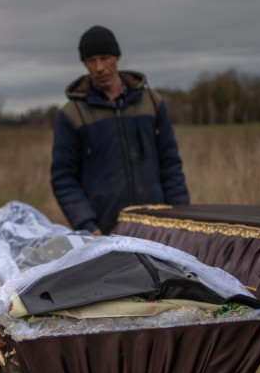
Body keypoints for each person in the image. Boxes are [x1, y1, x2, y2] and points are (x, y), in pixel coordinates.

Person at [50, 25, 190, 236]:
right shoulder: (71, 115)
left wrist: (182, 218)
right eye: (91, 60)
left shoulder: (152, 103)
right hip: (106, 232)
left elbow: (170, 163)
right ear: (84, 64)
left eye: (105, 58)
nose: (99, 67)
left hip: (158, 226)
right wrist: (88, 226)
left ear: (117, 57)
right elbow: (63, 178)